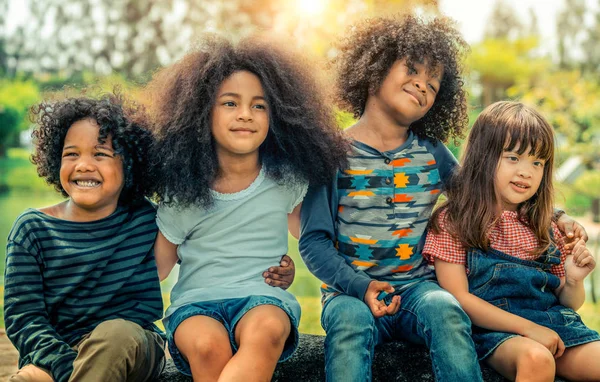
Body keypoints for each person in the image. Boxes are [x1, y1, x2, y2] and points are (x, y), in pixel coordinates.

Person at [299, 15, 586, 381]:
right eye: (412, 71)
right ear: (374, 67)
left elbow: (480, 190)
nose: (422, 85)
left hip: (419, 289)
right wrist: (359, 286)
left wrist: (556, 217)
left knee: (446, 309)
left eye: (433, 85)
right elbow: (313, 240)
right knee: (350, 327)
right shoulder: (332, 154)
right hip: (349, 293)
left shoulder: (431, 152)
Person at [144, 35, 348, 381]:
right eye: (229, 103)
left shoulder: (287, 181)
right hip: (195, 306)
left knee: (267, 328)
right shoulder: (183, 195)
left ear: (279, 115)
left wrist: (292, 272)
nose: (245, 115)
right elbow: (155, 271)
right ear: (200, 113)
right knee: (208, 346)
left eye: (259, 105)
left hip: (262, 299)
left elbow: (315, 240)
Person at [424, 101, 600, 382]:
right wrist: (529, 329)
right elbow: (459, 297)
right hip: (494, 332)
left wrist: (575, 280)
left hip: (556, 326)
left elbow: (568, 302)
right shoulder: (455, 221)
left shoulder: (546, 225)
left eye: (537, 162)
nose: (526, 172)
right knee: (537, 359)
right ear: (484, 157)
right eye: (513, 158)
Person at [4, 92, 165, 382]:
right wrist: (67, 367)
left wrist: (276, 265)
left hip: (130, 344)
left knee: (114, 333)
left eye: (100, 154)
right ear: (56, 159)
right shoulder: (32, 229)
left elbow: (209, 239)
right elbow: (23, 318)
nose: (83, 165)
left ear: (129, 165)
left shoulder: (147, 219)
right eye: (71, 154)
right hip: (53, 354)